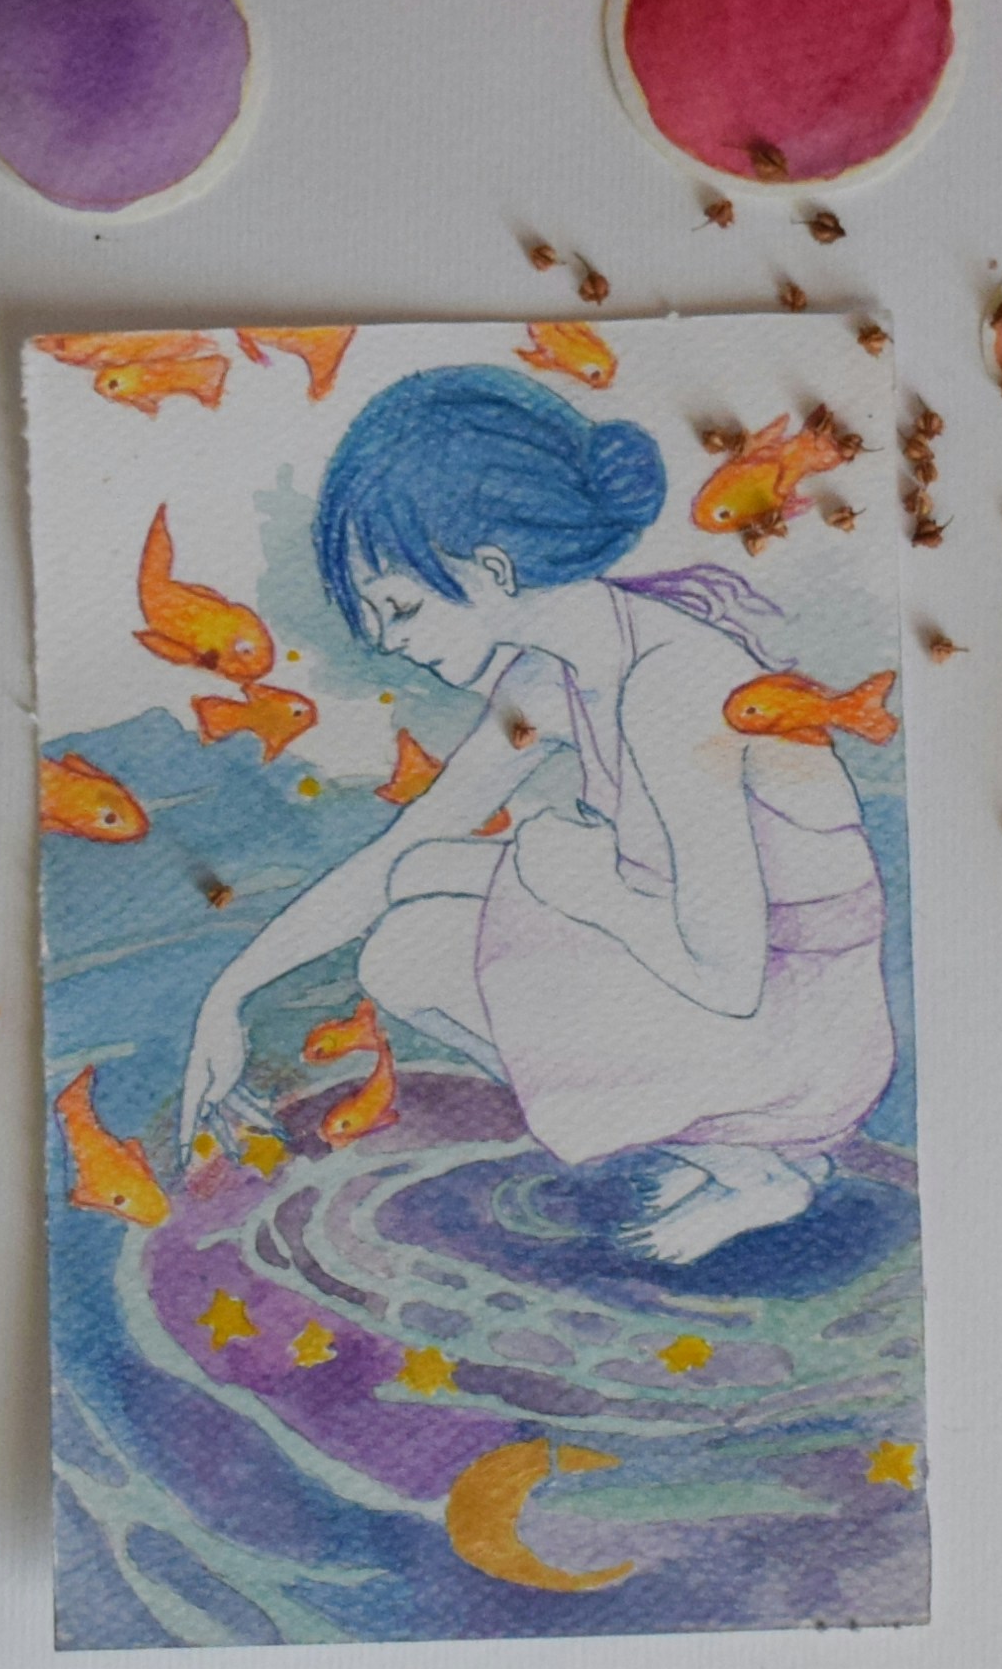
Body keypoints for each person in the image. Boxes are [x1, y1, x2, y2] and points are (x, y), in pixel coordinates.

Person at [169, 365, 892, 1266]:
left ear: (493, 569)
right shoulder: (553, 678)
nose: (390, 640)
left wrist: (571, 877)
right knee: (411, 920)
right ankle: (741, 1155)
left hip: (801, 1027)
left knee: (447, 914)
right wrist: (228, 994)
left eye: (397, 605)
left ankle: (765, 1168)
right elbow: (405, 847)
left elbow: (727, 975)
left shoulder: (673, 684)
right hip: (733, 992)